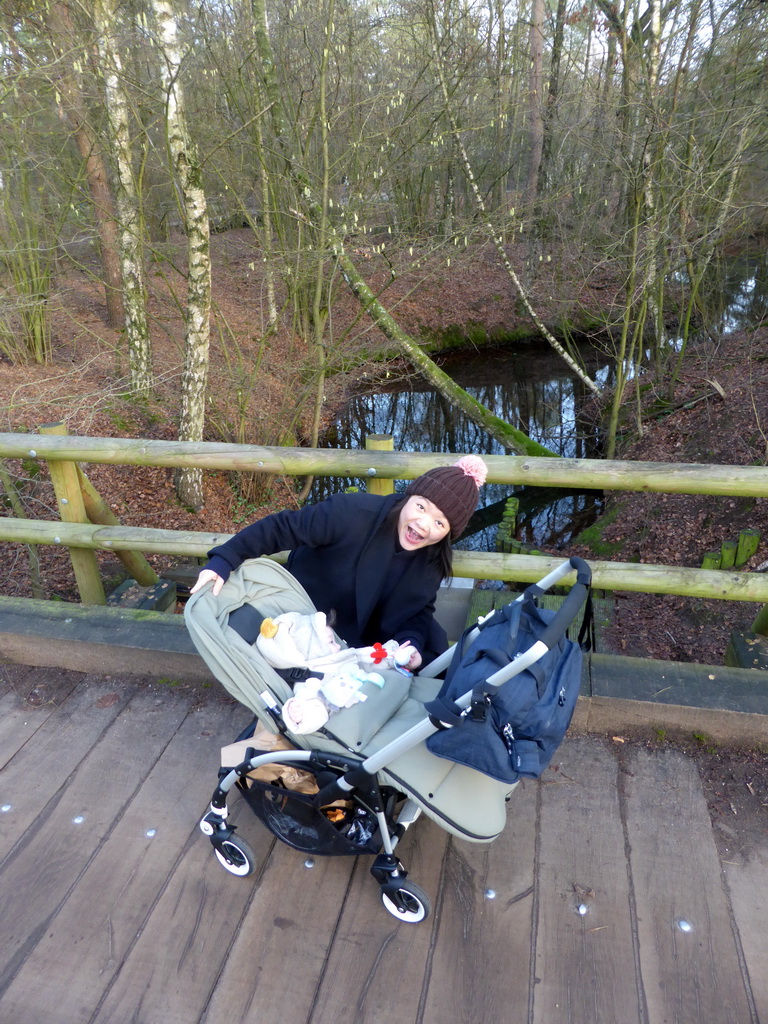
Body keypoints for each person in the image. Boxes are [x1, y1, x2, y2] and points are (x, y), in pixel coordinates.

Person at [190, 455, 488, 670]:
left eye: (440, 523)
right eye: (421, 507)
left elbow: (419, 609)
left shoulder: (433, 556)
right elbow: (283, 528)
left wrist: (410, 644)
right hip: (312, 612)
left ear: (450, 533)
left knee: (435, 651)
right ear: (409, 497)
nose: (424, 525)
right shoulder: (351, 512)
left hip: (374, 634)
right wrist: (225, 559)